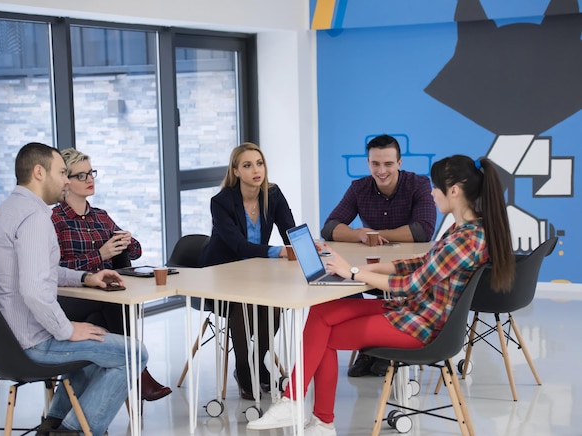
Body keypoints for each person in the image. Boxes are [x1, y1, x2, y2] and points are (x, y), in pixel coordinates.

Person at [247, 155, 515, 435]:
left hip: (421, 327)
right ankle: (304, 410)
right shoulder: (465, 230)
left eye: (436, 187)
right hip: (413, 311)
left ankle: (315, 417)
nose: (433, 193)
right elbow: (419, 263)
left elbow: (411, 285)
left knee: (323, 337)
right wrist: (361, 267)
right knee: (322, 311)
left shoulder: (466, 240)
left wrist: (352, 273)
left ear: (455, 191)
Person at [0, 142, 148, 436]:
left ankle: (55, 421)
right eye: (62, 172)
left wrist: (85, 278)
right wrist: (67, 330)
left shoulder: (6, 212)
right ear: (38, 172)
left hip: (2, 345)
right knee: (134, 353)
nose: (65, 181)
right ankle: (73, 431)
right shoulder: (35, 218)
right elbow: (34, 289)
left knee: (97, 336)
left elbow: (39, 272)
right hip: (31, 343)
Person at [51, 147, 171, 402]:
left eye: (91, 173)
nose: (90, 179)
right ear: (66, 181)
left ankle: (120, 382)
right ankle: (140, 373)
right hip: (69, 298)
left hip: (100, 301)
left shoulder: (101, 217)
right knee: (112, 301)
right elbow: (56, 268)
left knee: (101, 316)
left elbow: (136, 252)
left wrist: (127, 240)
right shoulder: (55, 220)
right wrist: (100, 256)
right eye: (81, 175)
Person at [321, 134, 437, 378]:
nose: (381, 170)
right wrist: (359, 235)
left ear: (400, 163)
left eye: (388, 164)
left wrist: (378, 233)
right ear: (368, 164)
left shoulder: (419, 184)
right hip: (370, 267)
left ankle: (389, 350)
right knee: (347, 282)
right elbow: (330, 227)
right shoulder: (359, 187)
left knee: (376, 287)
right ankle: (367, 349)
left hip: (405, 270)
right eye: (375, 164)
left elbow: (423, 229)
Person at [200, 142, 296, 400]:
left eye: (259, 163)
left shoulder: (273, 194)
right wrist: (279, 252)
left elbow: (290, 231)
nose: (256, 170)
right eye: (247, 165)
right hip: (222, 274)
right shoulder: (221, 202)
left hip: (257, 274)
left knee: (274, 305)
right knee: (241, 306)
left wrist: (304, 247)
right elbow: (238, 245)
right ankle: (243, 371)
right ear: (236, 170)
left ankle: (258, 362)